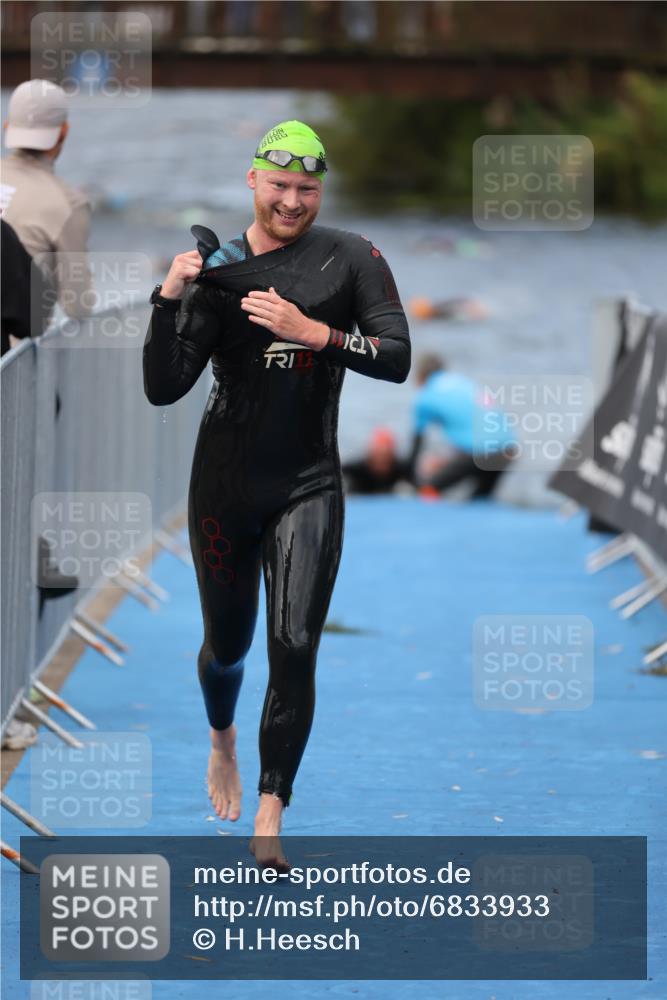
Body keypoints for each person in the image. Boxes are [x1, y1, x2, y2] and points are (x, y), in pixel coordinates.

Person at [143, 120, 410, 869]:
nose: (292, 202)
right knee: (227, 646)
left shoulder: (351, 259)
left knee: (293, 645)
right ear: (252, 182)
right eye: (280, 186)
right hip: (225, 485)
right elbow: (164, 388)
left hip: (308, 481)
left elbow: (395, 357)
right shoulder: (218, 269)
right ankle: (221, 739)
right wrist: (168, 302)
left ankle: (271, 810)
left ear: (319, 191)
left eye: (307, 190)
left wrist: (313, 331)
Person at [1, 79, 93, 326]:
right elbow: (78, 306)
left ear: (7, 126)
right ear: (64, 131)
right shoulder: (68, 203)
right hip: (13, 355)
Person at [408, 353, 517, 498]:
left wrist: (410, 478)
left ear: (420, 377)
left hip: (481, 451)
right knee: (480, 498)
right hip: (508, 449)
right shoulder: (463, 382)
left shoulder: (426, 395)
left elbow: (417, 443)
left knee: (427, 489)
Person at [342, 426, 412, 494]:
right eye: (379, 455)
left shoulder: (402, 471)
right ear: (371, 454)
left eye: (386, 456)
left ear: (392, 456)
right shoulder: (356, 471)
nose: (382, 460)